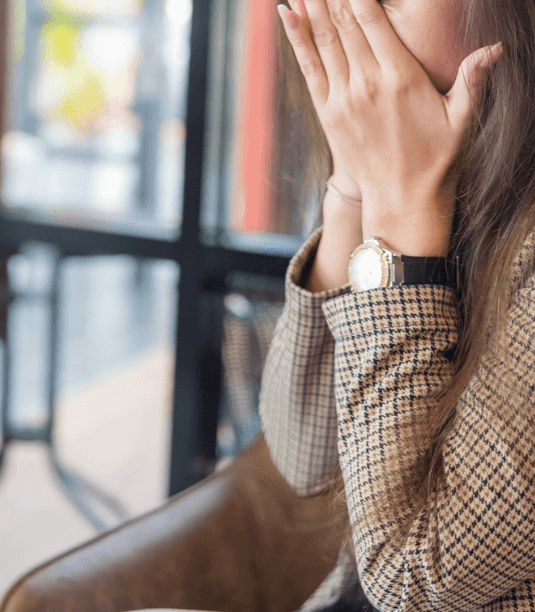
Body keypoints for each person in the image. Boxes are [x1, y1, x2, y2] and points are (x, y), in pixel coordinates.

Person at [260, 0, 535, 610]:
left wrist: (405, 206)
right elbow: (305, 455)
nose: (345, 16)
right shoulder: (419, 162)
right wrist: (354, 192)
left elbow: (415, 577)